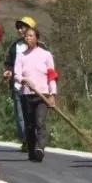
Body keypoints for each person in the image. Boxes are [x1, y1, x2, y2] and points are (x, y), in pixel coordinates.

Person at [9, 26, 57, 162]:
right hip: (26, 94)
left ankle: (40, 148)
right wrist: (23, 79)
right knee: (29, 125)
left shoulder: (46, 55)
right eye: (26, 36)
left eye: (31, 36)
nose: (27, 38)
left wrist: (52, 94)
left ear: (37, 38)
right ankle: (31, 151)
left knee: (40, 122)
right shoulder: (20, 56)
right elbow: (17, 73)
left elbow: (52, 75)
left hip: (42, 94)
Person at [4, 16, 39, 152]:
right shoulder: (14, 46)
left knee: (35, 115)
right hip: (18, 86)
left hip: (35, 87)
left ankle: (36, 140)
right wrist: (8, 72)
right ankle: (25, 141)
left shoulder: (39, 47)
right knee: (20, 115)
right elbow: (9, 64)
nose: (20, 30)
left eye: (23, 27)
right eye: (19, 27)